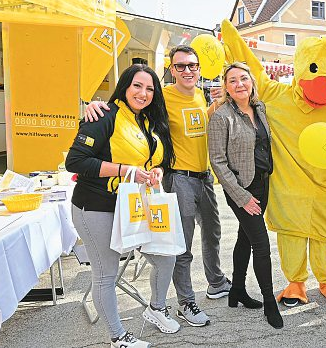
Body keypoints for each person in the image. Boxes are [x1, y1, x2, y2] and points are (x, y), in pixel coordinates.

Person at [84, 45, 230, 328]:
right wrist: (93, 105)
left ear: (200, 68)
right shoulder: (163, 97)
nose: (187, 70)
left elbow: (198, 123)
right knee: (181, 246)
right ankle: (186, 302)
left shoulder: (200, 94)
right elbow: (131, 104)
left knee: (213, 233)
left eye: (192, 65)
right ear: (171, 69)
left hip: (204, 177)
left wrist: (216, 106)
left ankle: (216, 282)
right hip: (179, 178)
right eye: (180, 66)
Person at [66, 64, 179, 347]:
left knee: (166, 257)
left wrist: (157, 172)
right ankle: (118, 337)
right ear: (125, 86)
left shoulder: (150, 120)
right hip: (96, 207)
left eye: (150, 88)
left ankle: (156, 308)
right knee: (106, 273)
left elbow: (161, 161)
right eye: (137, 86)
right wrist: (125, 171)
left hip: (136, 206)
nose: (143, 93)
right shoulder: (103, 115)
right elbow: (76, 162)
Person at [208, 62, 283, 329]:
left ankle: (236, 289)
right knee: (261, 245)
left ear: (251, 81)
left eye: (243, 78)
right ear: (226, 87)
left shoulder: (259, 109)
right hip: (241, 189)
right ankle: (269, 303)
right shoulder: (221, 116)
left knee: (245, 237)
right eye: (232, 81)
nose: (239, 84)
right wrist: (242, 197)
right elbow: (218, 162)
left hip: (262, 184)